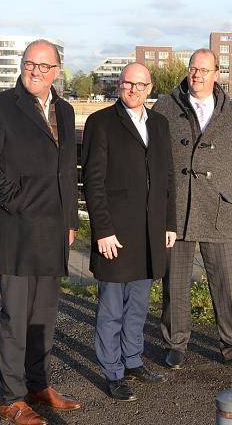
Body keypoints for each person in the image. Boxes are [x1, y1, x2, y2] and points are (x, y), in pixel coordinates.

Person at [0, 39, 81, 425]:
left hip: (53, 230)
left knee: (43, 316)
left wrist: (71, 220)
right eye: (29, 63)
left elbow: (67, 170)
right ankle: (11, 398)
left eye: (44, 65)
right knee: (16, 318)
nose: (35, 70)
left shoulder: (65, 110)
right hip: (15, 228)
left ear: (57, 71)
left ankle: (38, 385)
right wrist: (16, 200)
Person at [152, 48, 232, 373]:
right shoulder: (165, 107)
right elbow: (151, 158)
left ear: (217, 74)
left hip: (221, 212)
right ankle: (175, 344)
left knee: (227, 283)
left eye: (204, 70)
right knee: (175, 283)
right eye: (193, 68)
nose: (197, 75)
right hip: (176, 211)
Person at [82, 63, 177, 401]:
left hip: (150, 233)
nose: (134, 90)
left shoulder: (160, 124)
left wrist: (169, 223)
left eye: (140, 84)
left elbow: (167, 178)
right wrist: (102, 230)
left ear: (150, 88)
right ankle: (113, 371)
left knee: (138, 304)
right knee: (112, 308)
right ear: (119, 85)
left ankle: (133, 360)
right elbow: (92, 181)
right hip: (116, 233)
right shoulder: (101, 122)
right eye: (127, 83)